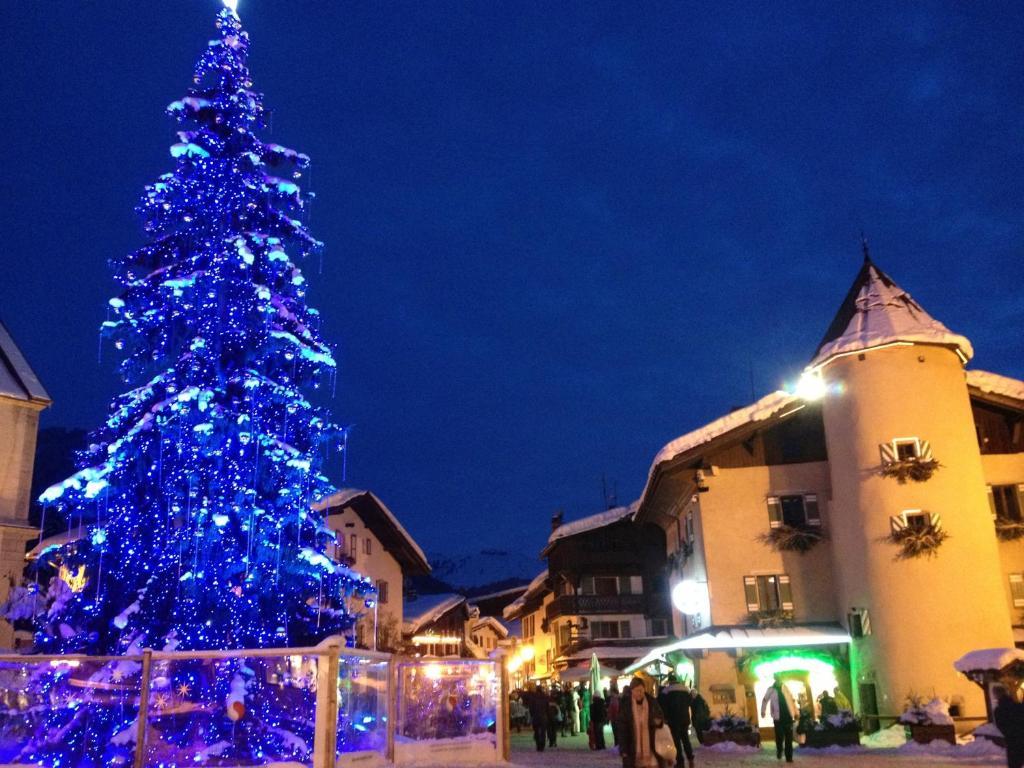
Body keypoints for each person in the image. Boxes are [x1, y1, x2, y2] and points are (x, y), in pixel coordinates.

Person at [616, 676, 667, 768]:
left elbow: (661, 717)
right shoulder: (626, 706)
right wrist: (623, 749)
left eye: (641, 690)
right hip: (633, 749)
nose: (639, 693)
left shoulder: (652, 702)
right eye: (637, 690)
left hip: (652, 748)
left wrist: (658, 722)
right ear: (632, 691)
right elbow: (622, 729)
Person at [660, 674, 695, 767]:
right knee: (685, 739)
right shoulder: (686, 690)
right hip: (684, 718)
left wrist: (665, 718)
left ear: (670, 682)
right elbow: (690, 702)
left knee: (676, 741)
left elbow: (663, 706)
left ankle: (680, 761)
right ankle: (690, 758)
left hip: (673, 720)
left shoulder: (666, 691)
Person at [761, 674, 797, 763]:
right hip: (778, 718)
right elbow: (765, 700)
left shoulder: (786, 688)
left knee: (789, 738)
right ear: (775, 678)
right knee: (779, 736)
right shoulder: (771, 689)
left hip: (788, 716)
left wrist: (796, 712)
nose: (779, 679)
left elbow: (792, 700)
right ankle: (779, 750)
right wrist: (763, 710)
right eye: (777, 677)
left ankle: (789, 757)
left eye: (780, 677)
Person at [994, 685, 1024, 768]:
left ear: (997, 695)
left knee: (1014, 764)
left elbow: (1001, 726)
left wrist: (1009, 734)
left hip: (1012, 741)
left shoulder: (999, 710)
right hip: (1021, 737)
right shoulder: (1017, 705)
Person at [524, 684, 550, 752]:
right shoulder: (545, 697)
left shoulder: (533, 697)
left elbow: (531, 708)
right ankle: (542, 745)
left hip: (536, 716)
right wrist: (547, 714)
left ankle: (538, 745)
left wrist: (532, 714)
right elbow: (547, 708)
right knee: (543, 732)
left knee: (536, 731)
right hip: (543, 716)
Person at [608, 681, 622, 746]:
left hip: (615, 719)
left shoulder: (614, 699)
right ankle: (617, 743)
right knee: (616, 733)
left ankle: (617, 744)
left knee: (616, 732)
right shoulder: (615, 699)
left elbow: (615, 709)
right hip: (615, 718)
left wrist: (612, 717)